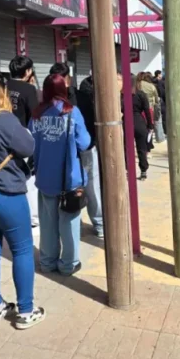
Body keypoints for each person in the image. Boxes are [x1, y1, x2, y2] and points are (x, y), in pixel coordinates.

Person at [0, 78, 45, 328]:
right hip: (7, 192)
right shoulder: (4, 119)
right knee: (22, 249)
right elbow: (28, 147)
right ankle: (26, 310)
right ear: (2, 95)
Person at [30, 74, 91, 275]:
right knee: (69, 221)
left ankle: (47, 262)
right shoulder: (72, 113)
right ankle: (68, 263)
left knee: (47, 222)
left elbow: (30, 143)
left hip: (45, 176)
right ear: (63, 90)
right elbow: (84, 142)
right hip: (69, 178)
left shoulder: (37, 114)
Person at [8, 56, 41, 227]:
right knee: (29, 178)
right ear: (28, 71)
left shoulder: (3, 86)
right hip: (23, 136)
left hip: (2, 136)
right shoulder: (28, 89)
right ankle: (33, 217)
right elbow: (35, 115)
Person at [74, 70, 104, 238]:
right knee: (92, 184)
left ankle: (75, 226)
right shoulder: (86, 98)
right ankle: (99, 224)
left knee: (73, 186)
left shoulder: (58, 100)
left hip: (70, 148)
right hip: (87, 146)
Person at [120, 72, 154, 180]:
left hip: (126, 122)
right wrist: (150, 125)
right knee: (142, 148)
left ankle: (129, 170)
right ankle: (143, 170)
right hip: (139, 122)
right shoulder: (141, 94)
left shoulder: (122, 95)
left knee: (127, 148)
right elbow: (147, 111)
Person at [137, 72, 158, 150]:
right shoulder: (152, 86)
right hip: (150, 108)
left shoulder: (138, 85)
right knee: (150, 127)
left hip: (139, 109)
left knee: (141, 127)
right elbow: (156, 98)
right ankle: (149, 144)